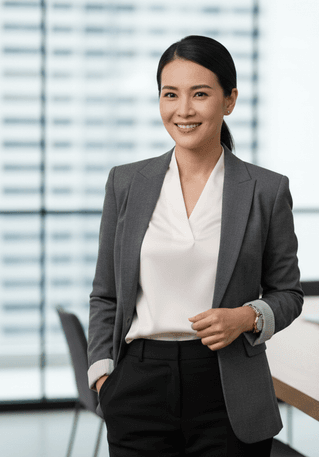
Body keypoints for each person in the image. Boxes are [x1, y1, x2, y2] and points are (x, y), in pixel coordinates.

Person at [87, 35, 303, 457]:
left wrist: (246, 317)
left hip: (227, 388)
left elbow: (289, 294)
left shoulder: (266, 190)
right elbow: (106, 293)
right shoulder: (126, 183)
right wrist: (103, 377)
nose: (183, 110)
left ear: (229, 100)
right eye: (171, 94)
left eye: (199, 94)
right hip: (138, 385)